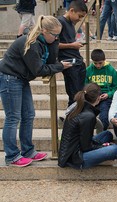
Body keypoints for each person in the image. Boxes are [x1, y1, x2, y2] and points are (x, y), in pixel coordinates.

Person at [0, 15, 72, 167]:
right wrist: (60, 66)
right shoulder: (32, 43)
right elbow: (39, 69)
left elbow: (51, 60)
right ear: (44, 31)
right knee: (13, 118)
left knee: (29, 115)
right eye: (54, 35)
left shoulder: (45, 41)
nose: (56, 37)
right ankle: (12, 156)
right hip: (9, 78)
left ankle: (27, 151)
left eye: (58, 35)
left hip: (21, 78)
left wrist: (55, 42)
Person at [58, 83, 117, 169]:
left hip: (77, 147)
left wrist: (100, 145)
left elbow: (85, 140)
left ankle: (102, 153)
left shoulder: (78, 106)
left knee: (107, 134)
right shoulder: (88, 116)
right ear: (98, 98)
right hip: (76, 158)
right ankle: (104, 156)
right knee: (115, 149)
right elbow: (86, 147)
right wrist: (102, 146)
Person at [58, 0, 88, 106]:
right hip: (69, 62)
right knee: (74, 93)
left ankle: (73, 116)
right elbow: (54, 44)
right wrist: (72, 45)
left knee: (80, 92)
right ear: (71, 10)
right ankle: (72, 118)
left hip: (77, 61)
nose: (79, 20)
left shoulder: (70, 23)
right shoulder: (60, 22)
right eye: (79, 16)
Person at [85, 49, 117, 131]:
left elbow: (116, 87)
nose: (98, 65)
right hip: (92, 95)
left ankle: (101, 133)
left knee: (104, 116)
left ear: (104, 60)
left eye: (100, 63)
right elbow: (85, 85)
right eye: (95, 63)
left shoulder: (111, 71)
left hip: (106, 95)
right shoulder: (89, 70)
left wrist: (109, 94)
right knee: (86, 114)